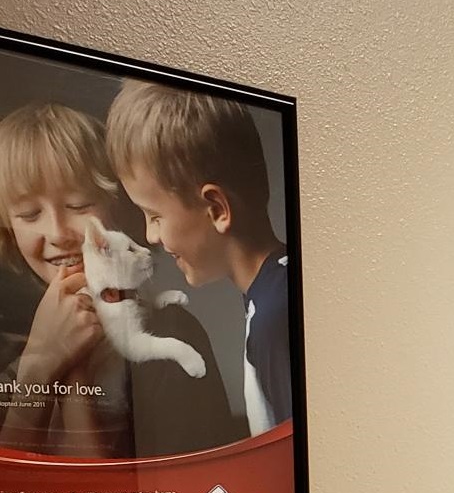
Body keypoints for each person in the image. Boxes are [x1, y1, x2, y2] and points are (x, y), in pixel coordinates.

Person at [0, 101, 238, 459]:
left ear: (117, 208)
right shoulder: (8, 358)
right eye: (29, 214)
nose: (58, 233)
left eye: (79, 205)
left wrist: (70, 368)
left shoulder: (169, 334)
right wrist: (41, 363)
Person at [107, 81, 290, 437]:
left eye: (155, 215)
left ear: (217, 209)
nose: (150, 236)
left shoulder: (274, 320)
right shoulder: (276, 293)